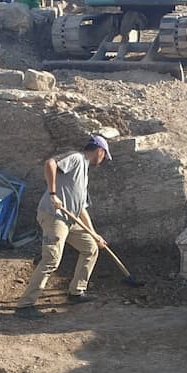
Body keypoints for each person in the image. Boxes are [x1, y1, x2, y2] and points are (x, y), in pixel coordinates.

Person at [15, 136, 112, 319]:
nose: (103, 160)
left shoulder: (84, 174)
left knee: (90, 248)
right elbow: (50, 163)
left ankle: (76, 292)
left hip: (70, 219)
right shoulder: (76, 158)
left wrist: (94, 234)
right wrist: (53, 194)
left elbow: (81, 208)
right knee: (51, 259)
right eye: (105, 156)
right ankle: (25, 305)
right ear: (100, 150)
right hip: (54, 216)